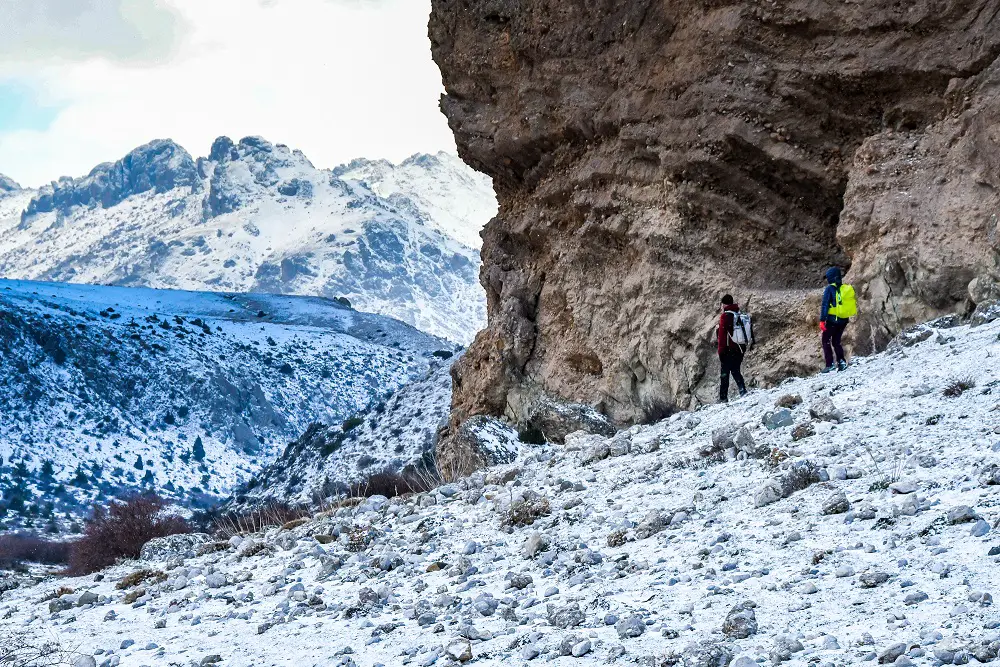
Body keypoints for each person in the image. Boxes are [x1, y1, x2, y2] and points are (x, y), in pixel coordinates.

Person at [717, 294, 748, 402]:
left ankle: (723, 397)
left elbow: (721, 336)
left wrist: (720, 351)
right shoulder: (738, 314)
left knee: (724, 374)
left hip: (728, 350)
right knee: (735, 370)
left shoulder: (725, 316)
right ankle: (743, 390)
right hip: (740, 347)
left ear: (724, 304)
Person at [820, 267, 849, 372]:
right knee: (836, 341)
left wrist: (822, 320)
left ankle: (830, 364)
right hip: (844, 319)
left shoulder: (829, 289)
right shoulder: (844, 287)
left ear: (830, 278)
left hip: (833, 320)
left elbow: (825, 305)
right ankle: (841, 362)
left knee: (825, 340)